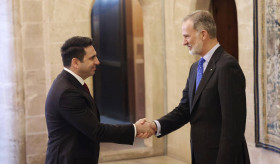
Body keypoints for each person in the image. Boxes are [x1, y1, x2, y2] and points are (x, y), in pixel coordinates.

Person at [143, 10, 250, 164]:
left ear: (203, 34)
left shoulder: (227, 66)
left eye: (186, 36)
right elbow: (185, 109)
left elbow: (233, 128)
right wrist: (155, 126)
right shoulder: (195, 68)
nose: (184, 42)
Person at [45, 36, 153, 164]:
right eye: (92, 58)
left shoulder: (70, 83)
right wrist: (135, 129)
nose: (97, 62)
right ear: (75, 62)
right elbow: (97, 131)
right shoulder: (67, 93)